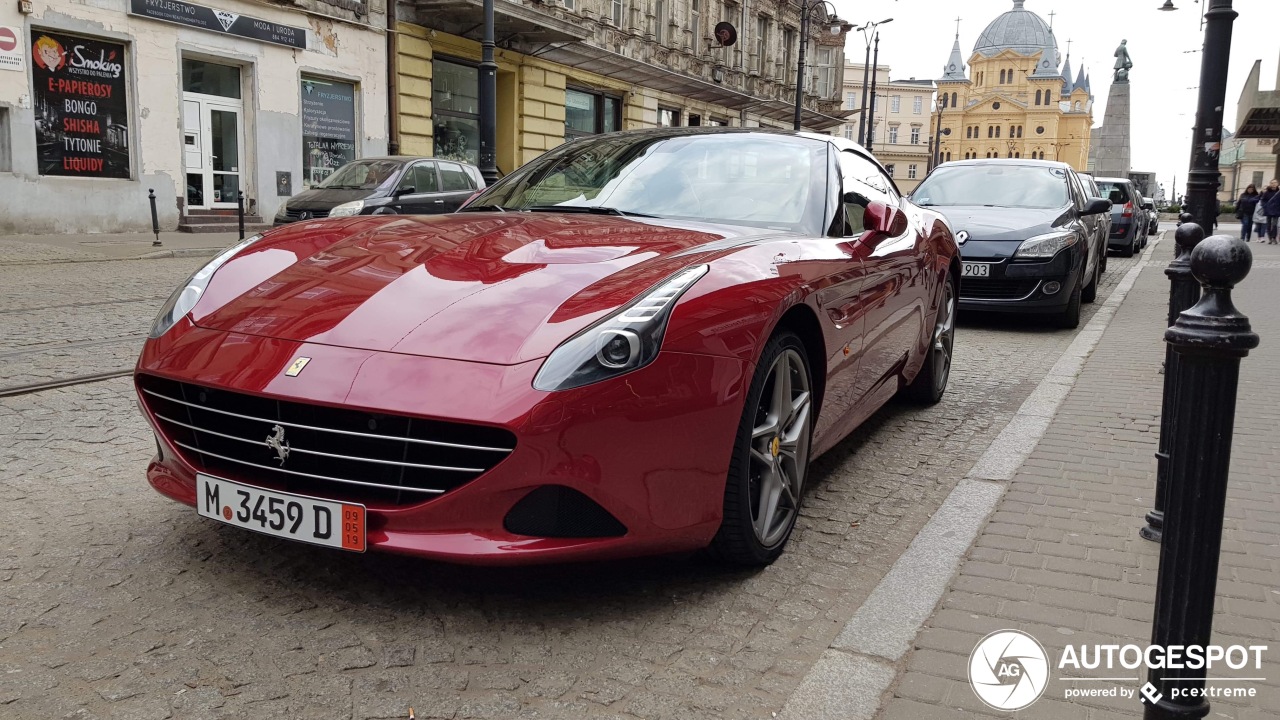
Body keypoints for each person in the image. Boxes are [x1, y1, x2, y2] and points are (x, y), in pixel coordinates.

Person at [1262, 179, 1280, 244]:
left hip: (1276, 210)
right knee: (1268, 225)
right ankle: (1270, 238)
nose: (1273, 184)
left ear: (1277, 184)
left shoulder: (1278, 192)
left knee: (1274, 224)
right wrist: (1265, 207)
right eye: (1272, 183)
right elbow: (1263, 200)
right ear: (1270, 184)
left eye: (1275, 183)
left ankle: (1274, 237)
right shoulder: (1267, 192)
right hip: (1268, 210)